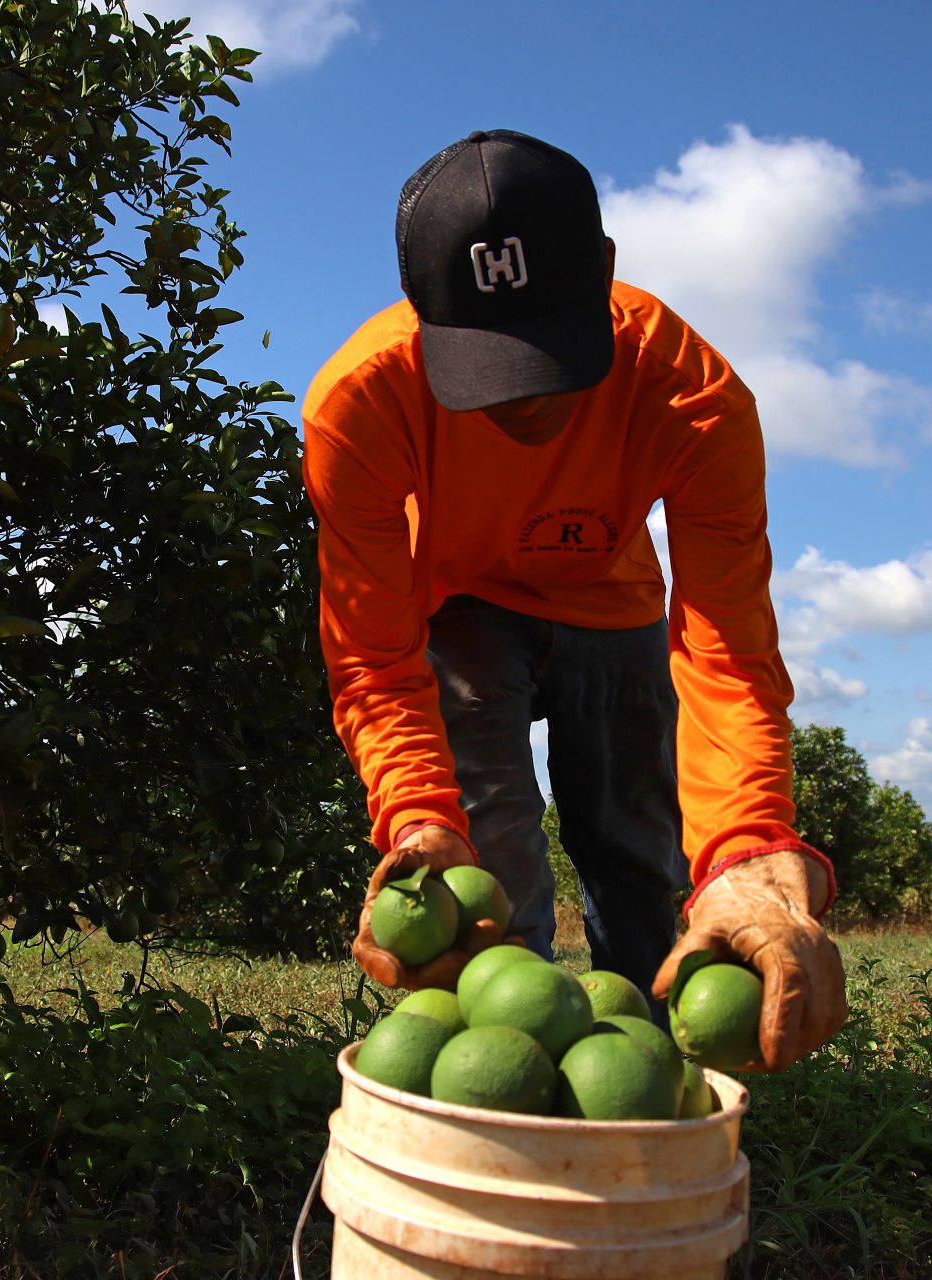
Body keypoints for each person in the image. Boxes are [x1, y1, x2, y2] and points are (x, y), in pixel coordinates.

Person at [301, 129, 846, 1070]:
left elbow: (727, 647)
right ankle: (511, 1090)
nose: (520, 401)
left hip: (612, 598)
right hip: (462, 602)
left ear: (604, 269)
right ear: (418, 308)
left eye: (547, 343)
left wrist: (749, 845)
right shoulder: (360, 403)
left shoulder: (693, 393)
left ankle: (659, 1076)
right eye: (482, 359)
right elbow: (373, 654)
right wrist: (419, 815)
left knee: (641, 855)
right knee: (486, 868)